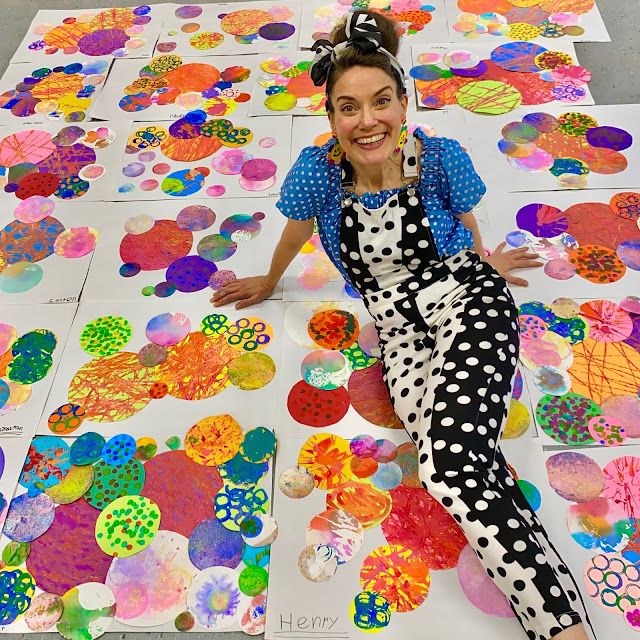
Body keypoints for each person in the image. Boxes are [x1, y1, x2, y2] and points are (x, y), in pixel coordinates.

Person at [213, 10, 593, 640]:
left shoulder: (439, 158)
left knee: (449, 465)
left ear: (404, 101)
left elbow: (469, 228)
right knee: (467, 466)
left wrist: (486, 264)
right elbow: (299, 225)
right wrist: (272, 278)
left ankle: (562, 630)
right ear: (331, 116)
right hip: (399, 333)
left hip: (465, 298)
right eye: (349, 107)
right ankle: (560, 612)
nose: (368, 122)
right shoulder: (318, 173)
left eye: (382, 101)